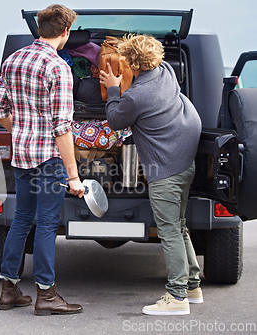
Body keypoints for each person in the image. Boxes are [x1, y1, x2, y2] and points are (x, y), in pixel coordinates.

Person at [99, 34, 203, 316]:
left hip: (165, 170)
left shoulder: (135, 96)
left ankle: (177, 297)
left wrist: (113, 90)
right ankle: (192, 287)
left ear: (131, 63)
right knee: (179, 226)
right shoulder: (166, 72)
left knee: (169, 231)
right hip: (185, 164)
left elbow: (116, 122)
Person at [0, 4, 84, 316]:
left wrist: (21, 129)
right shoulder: (58, 67)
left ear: (39, 29)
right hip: (48, 158)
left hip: (21, 154)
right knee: (45, 223)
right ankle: (46, 294)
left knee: (21, 219)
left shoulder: (13, 59)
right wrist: (73, 176)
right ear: (65, 32)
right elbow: (62, 128)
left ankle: (9, 290)